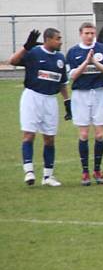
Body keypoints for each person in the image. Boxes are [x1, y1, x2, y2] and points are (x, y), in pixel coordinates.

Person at [9, 28, 71, 187]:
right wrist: (26, 47)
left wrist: (67, 102)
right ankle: (29, 171)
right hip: (32, 97)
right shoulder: (34, 53)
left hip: (50, 100)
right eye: (58, 38)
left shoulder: (60, 58)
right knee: (29, 135)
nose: (60, 41)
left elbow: (62, 82)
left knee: (49, 138)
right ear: (48, 39)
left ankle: (47, 176)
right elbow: (13, 61)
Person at [66, 22, 103, 186]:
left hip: (99, 93)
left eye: (92, 33)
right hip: (80, 95)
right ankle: (85, 172)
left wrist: (95, 62)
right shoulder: (73, 52)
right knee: (84, 135)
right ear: (80, 34)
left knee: (99, 135)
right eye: (86, 33)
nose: (90, 36)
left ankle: (97, 170)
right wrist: (86, 62)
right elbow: (72, 76)